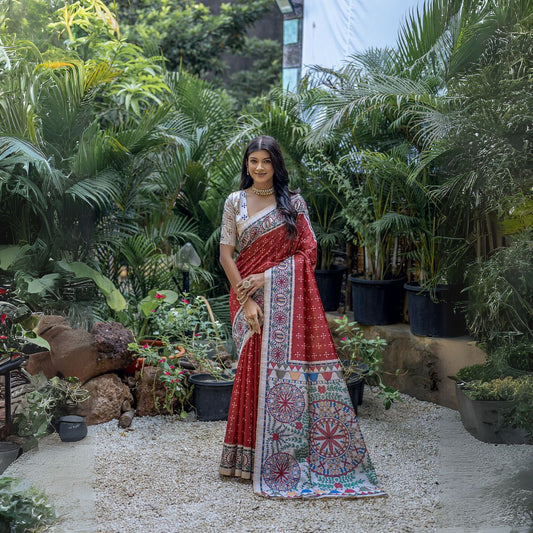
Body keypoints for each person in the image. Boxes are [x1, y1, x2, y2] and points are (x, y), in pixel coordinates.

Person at [218, 135, 385, 499]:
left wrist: (268, 277)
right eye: (253, 161)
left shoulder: (294, 203)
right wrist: (246, 299)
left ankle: (278, 458)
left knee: (273, 374)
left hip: (281, 295)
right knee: (250, 366)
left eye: (266, 161)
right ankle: (246, 458)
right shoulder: (235, 202)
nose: (259, 168)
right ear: (246, 164)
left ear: (277, 165)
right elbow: (226, 257)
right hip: (246, 296)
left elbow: (308, 254)